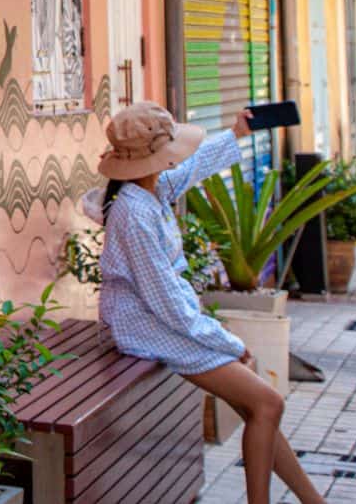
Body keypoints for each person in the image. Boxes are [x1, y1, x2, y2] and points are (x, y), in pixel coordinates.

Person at [81, 102, 324, 504]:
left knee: (261, 408)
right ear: (156, 157)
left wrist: (237, 133)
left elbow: (193, 167)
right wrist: (226, 341)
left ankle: (314, 502)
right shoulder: (133, 213)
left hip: (158, 317)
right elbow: (166, 302)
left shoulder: (149, 189)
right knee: (267, 403)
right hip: (144, 325)